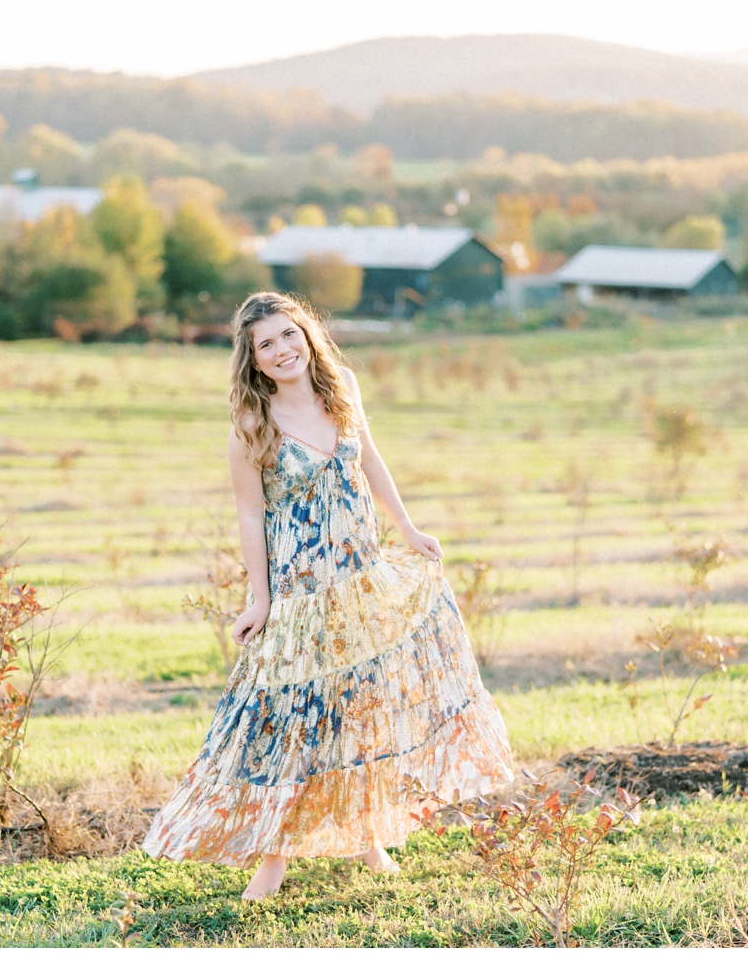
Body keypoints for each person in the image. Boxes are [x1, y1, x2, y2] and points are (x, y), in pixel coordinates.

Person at [141, 291, 514, 900]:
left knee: (360, 709)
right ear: (254, 360)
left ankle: (369, 840)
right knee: (295, 720)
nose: (283, 349)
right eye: (267, 344)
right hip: (299, 590)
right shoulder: (251, 424)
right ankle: (273, 859)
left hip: (359, 577)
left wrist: (409, 530)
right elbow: (248, 514)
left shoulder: (340, 386)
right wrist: (259, 600)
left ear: (308, 334)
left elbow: (371, 461)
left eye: (290, 334)